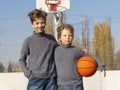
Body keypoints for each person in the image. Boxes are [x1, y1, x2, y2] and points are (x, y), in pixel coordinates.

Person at [54, 24, 106, 90]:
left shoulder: (76, 50)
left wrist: (101, 66)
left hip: (77, 84)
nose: (68, 37)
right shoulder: (56, 50)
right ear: (59, 38)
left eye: (70, 35)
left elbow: (90, 56)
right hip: (62, 85)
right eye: (65, 35)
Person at [18, 9, 58, 90]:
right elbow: (21, 60)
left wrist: (81, 51)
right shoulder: (28, 41)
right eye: (37, 23)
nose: (40, 25)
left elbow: (61, 52)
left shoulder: (51, 39)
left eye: (42, 22)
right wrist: (28, 74)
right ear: (32, 24)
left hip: (51, 79)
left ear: (45, 23)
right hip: (35, 79)